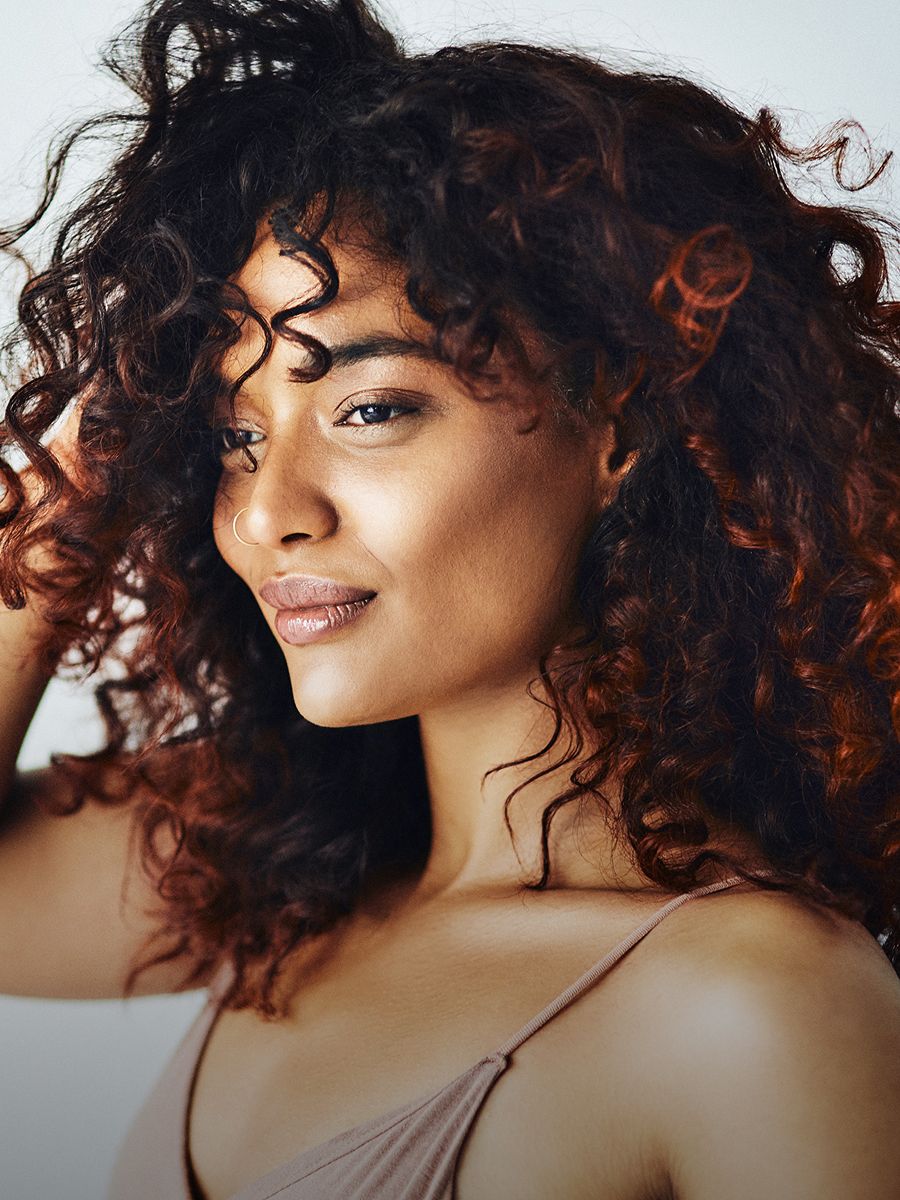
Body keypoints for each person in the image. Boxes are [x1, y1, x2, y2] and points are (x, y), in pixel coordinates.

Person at [1, 0, 899, 1197]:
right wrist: (82, 469)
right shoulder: (273, 876)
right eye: (234, 433)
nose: (271, 513)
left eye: (369, 410)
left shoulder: (753, 1002)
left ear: (616, 421)